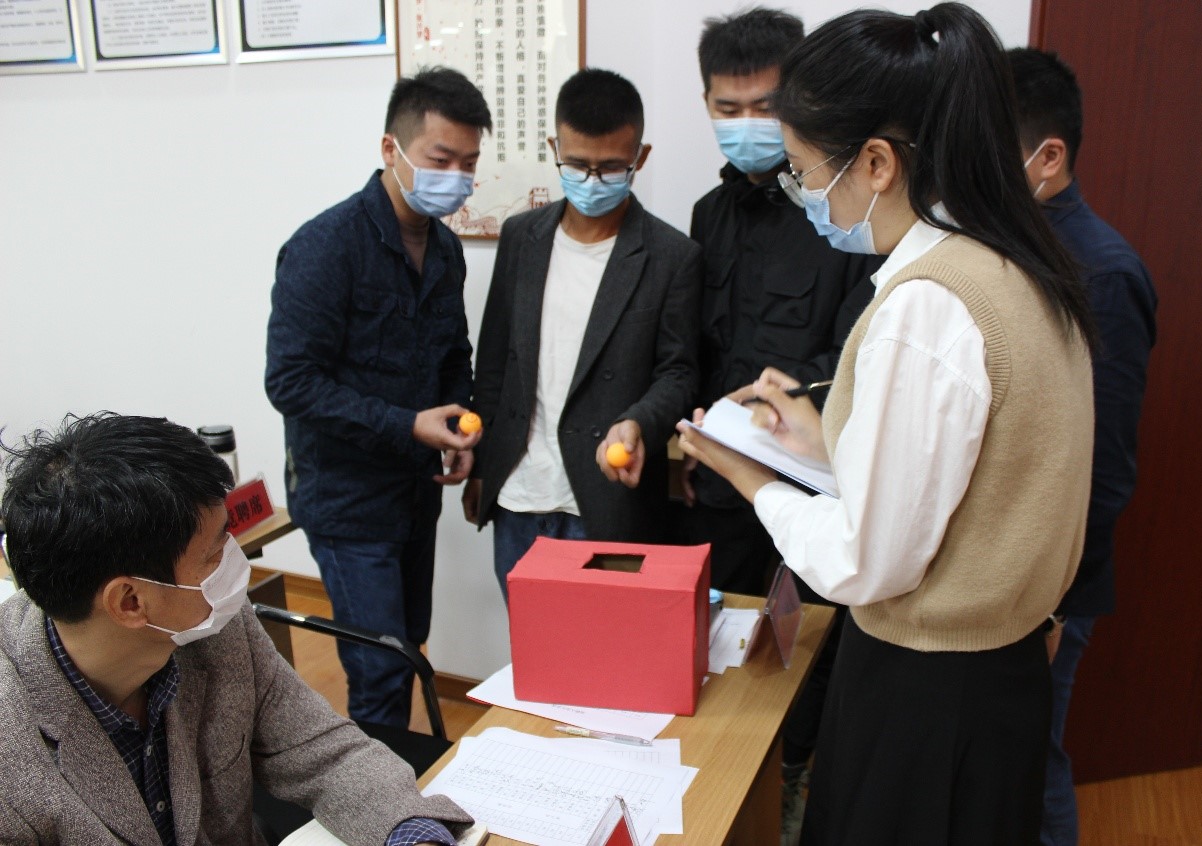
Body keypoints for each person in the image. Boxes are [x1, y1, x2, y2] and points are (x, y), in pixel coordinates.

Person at [677, 4, 1097, 843]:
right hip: (995, 677)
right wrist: (822, 441)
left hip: (927, 693)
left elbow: (865, 561)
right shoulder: (1012, 260)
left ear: (874, 162)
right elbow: (968, 481)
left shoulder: (926, 305)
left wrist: (748, 474)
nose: (800, 194)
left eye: (802, 171)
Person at [0, 413, 470, 845]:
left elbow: (321, 749)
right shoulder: (12, 753)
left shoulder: (212, 625)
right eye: (214, 553)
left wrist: (413, 834)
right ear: (130, 602)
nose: (233, 562)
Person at [683, 10, 886, 844]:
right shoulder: (707, 214)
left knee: (807, 646)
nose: (745, 125)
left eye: (763, 107)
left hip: (811, 482)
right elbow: (695, 346)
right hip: (721, 481)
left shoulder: (843, 213)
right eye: (726, 109)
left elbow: (854, 354)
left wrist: (785, 412)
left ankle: (790, 777)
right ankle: (719, 787)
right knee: (724, 643)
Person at [265, 68, 488, 728]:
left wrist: (460, 424)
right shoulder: (324, 246)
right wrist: (408, 425)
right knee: (380, 668)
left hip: (414, 491)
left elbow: (454, 355)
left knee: (408, 644)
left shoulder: (445, 250)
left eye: (469, 163)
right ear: (391, 149)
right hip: (347, 497)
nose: (455, 177)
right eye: (440, 160)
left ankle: (398, 776)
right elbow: (290, 381)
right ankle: (375, 788)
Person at [462, 68, 701, 601]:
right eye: (577, 165)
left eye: (611, 167)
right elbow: (496, 359)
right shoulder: (522, 236)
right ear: (555, 148)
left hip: (606, 499)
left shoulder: (672, 256)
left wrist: (639, 421)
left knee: (607, 644)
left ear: (640, 157)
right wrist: (482, 467)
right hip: (518, 492)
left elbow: (680, 373)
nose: (592, 181)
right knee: (530, 643)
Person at [1009, 47, 1158, 846]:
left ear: (1048, 157)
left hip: (1052, 586)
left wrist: (1053, 604)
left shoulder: (1100, 273)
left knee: (1033, 763)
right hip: (1005, 568)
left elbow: (1102, 469)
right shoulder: (1009, 249)